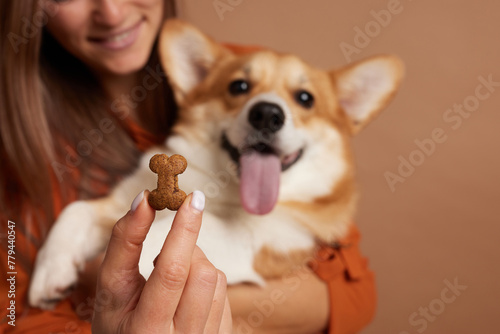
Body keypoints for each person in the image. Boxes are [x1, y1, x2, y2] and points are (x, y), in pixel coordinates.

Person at [0, 0, 376, 333]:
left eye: (304, 97)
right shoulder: (19, 149)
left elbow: (351, 296)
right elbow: (15, 319)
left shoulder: (234, 64)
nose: (112, 12)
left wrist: (101, 275)